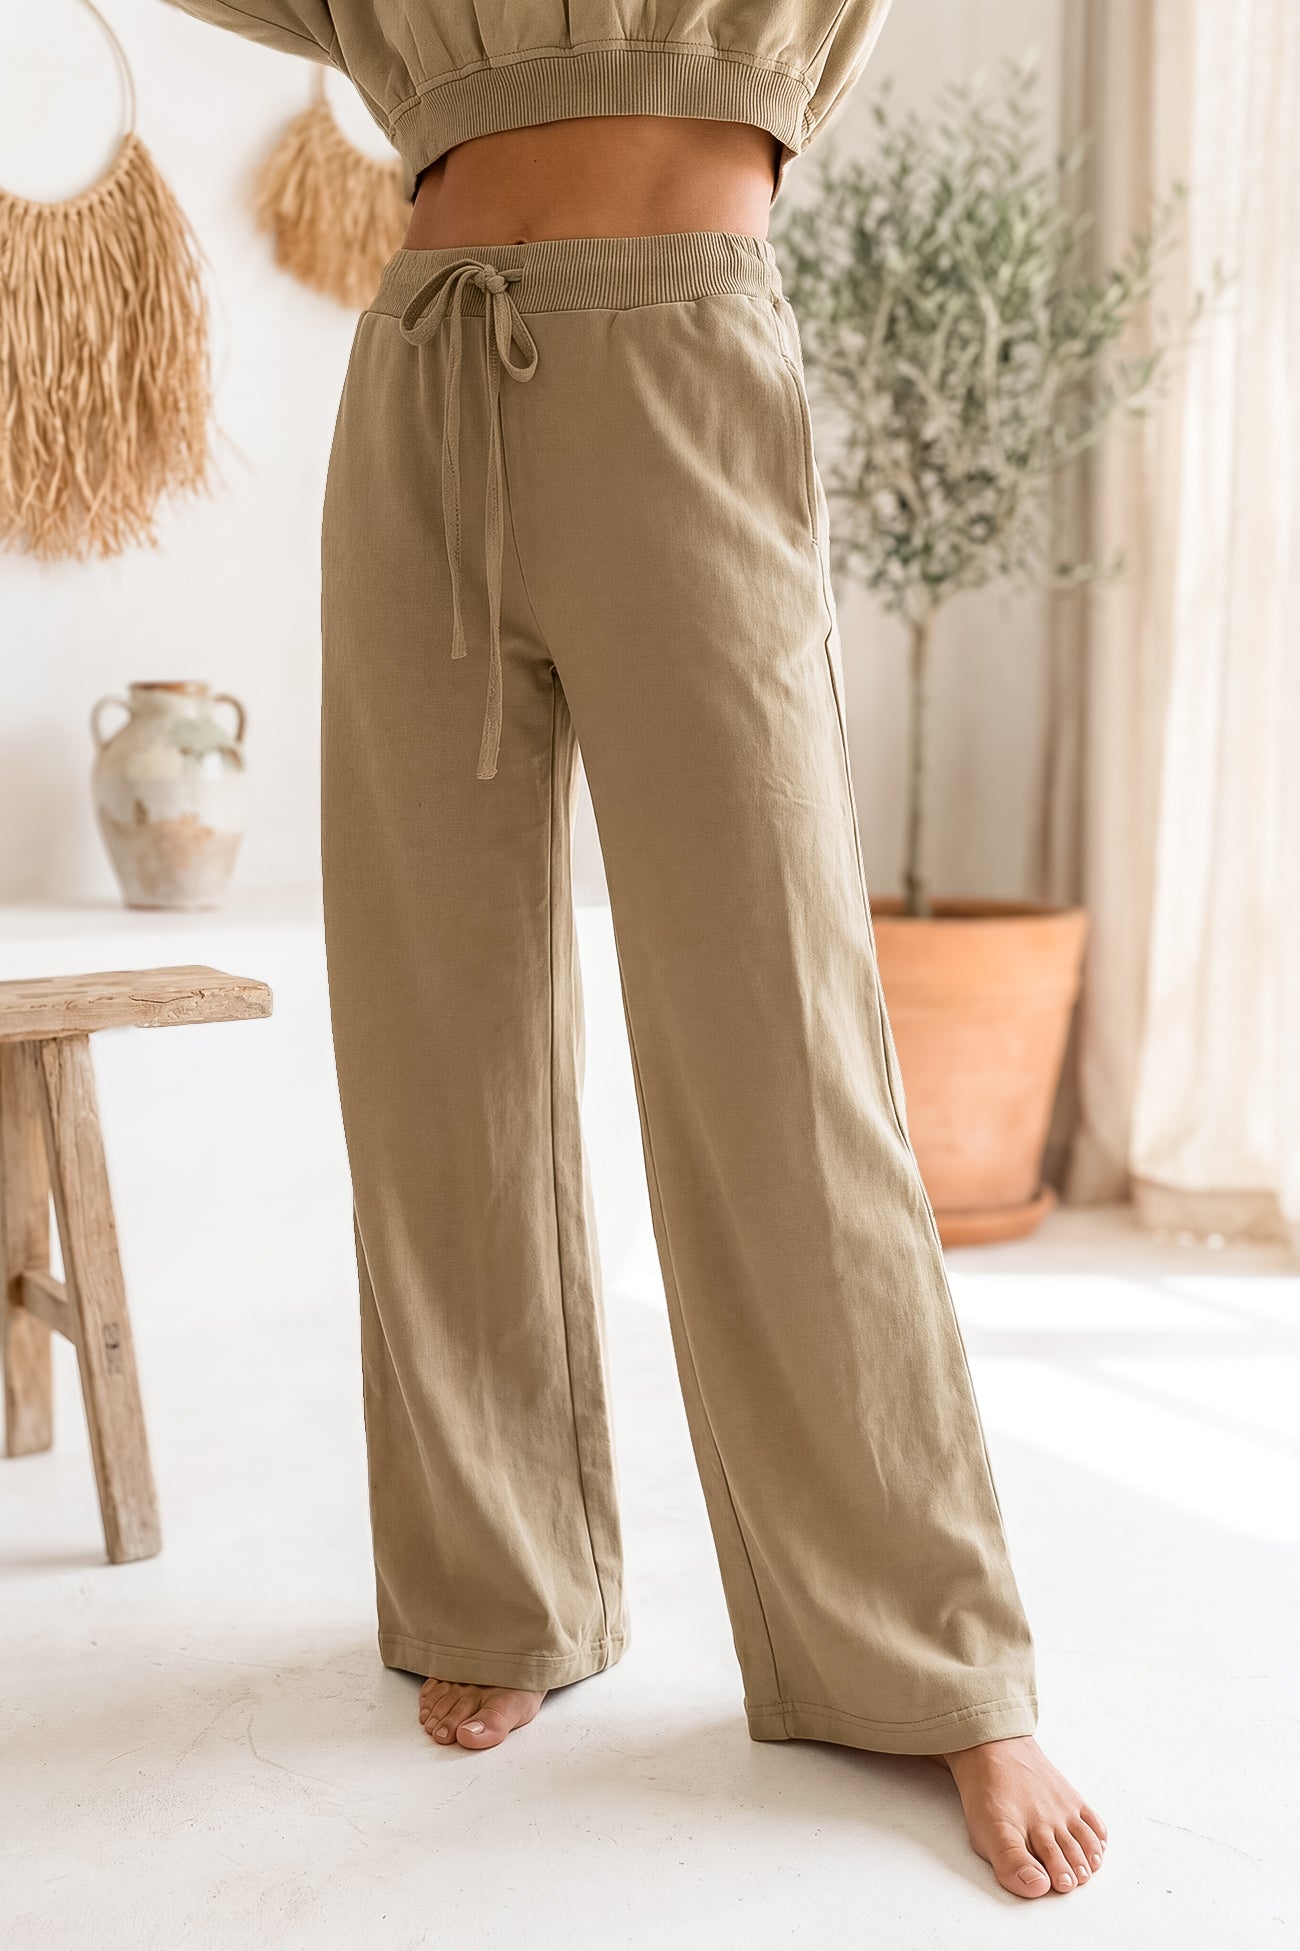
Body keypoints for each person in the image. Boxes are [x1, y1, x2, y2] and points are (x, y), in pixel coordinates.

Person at [165, 0, 1106, 1901]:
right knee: (438, 1033)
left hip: (681, 361)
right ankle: (496, 1586)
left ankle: (927, 1658)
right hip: (424, 375)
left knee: (781, 1040)